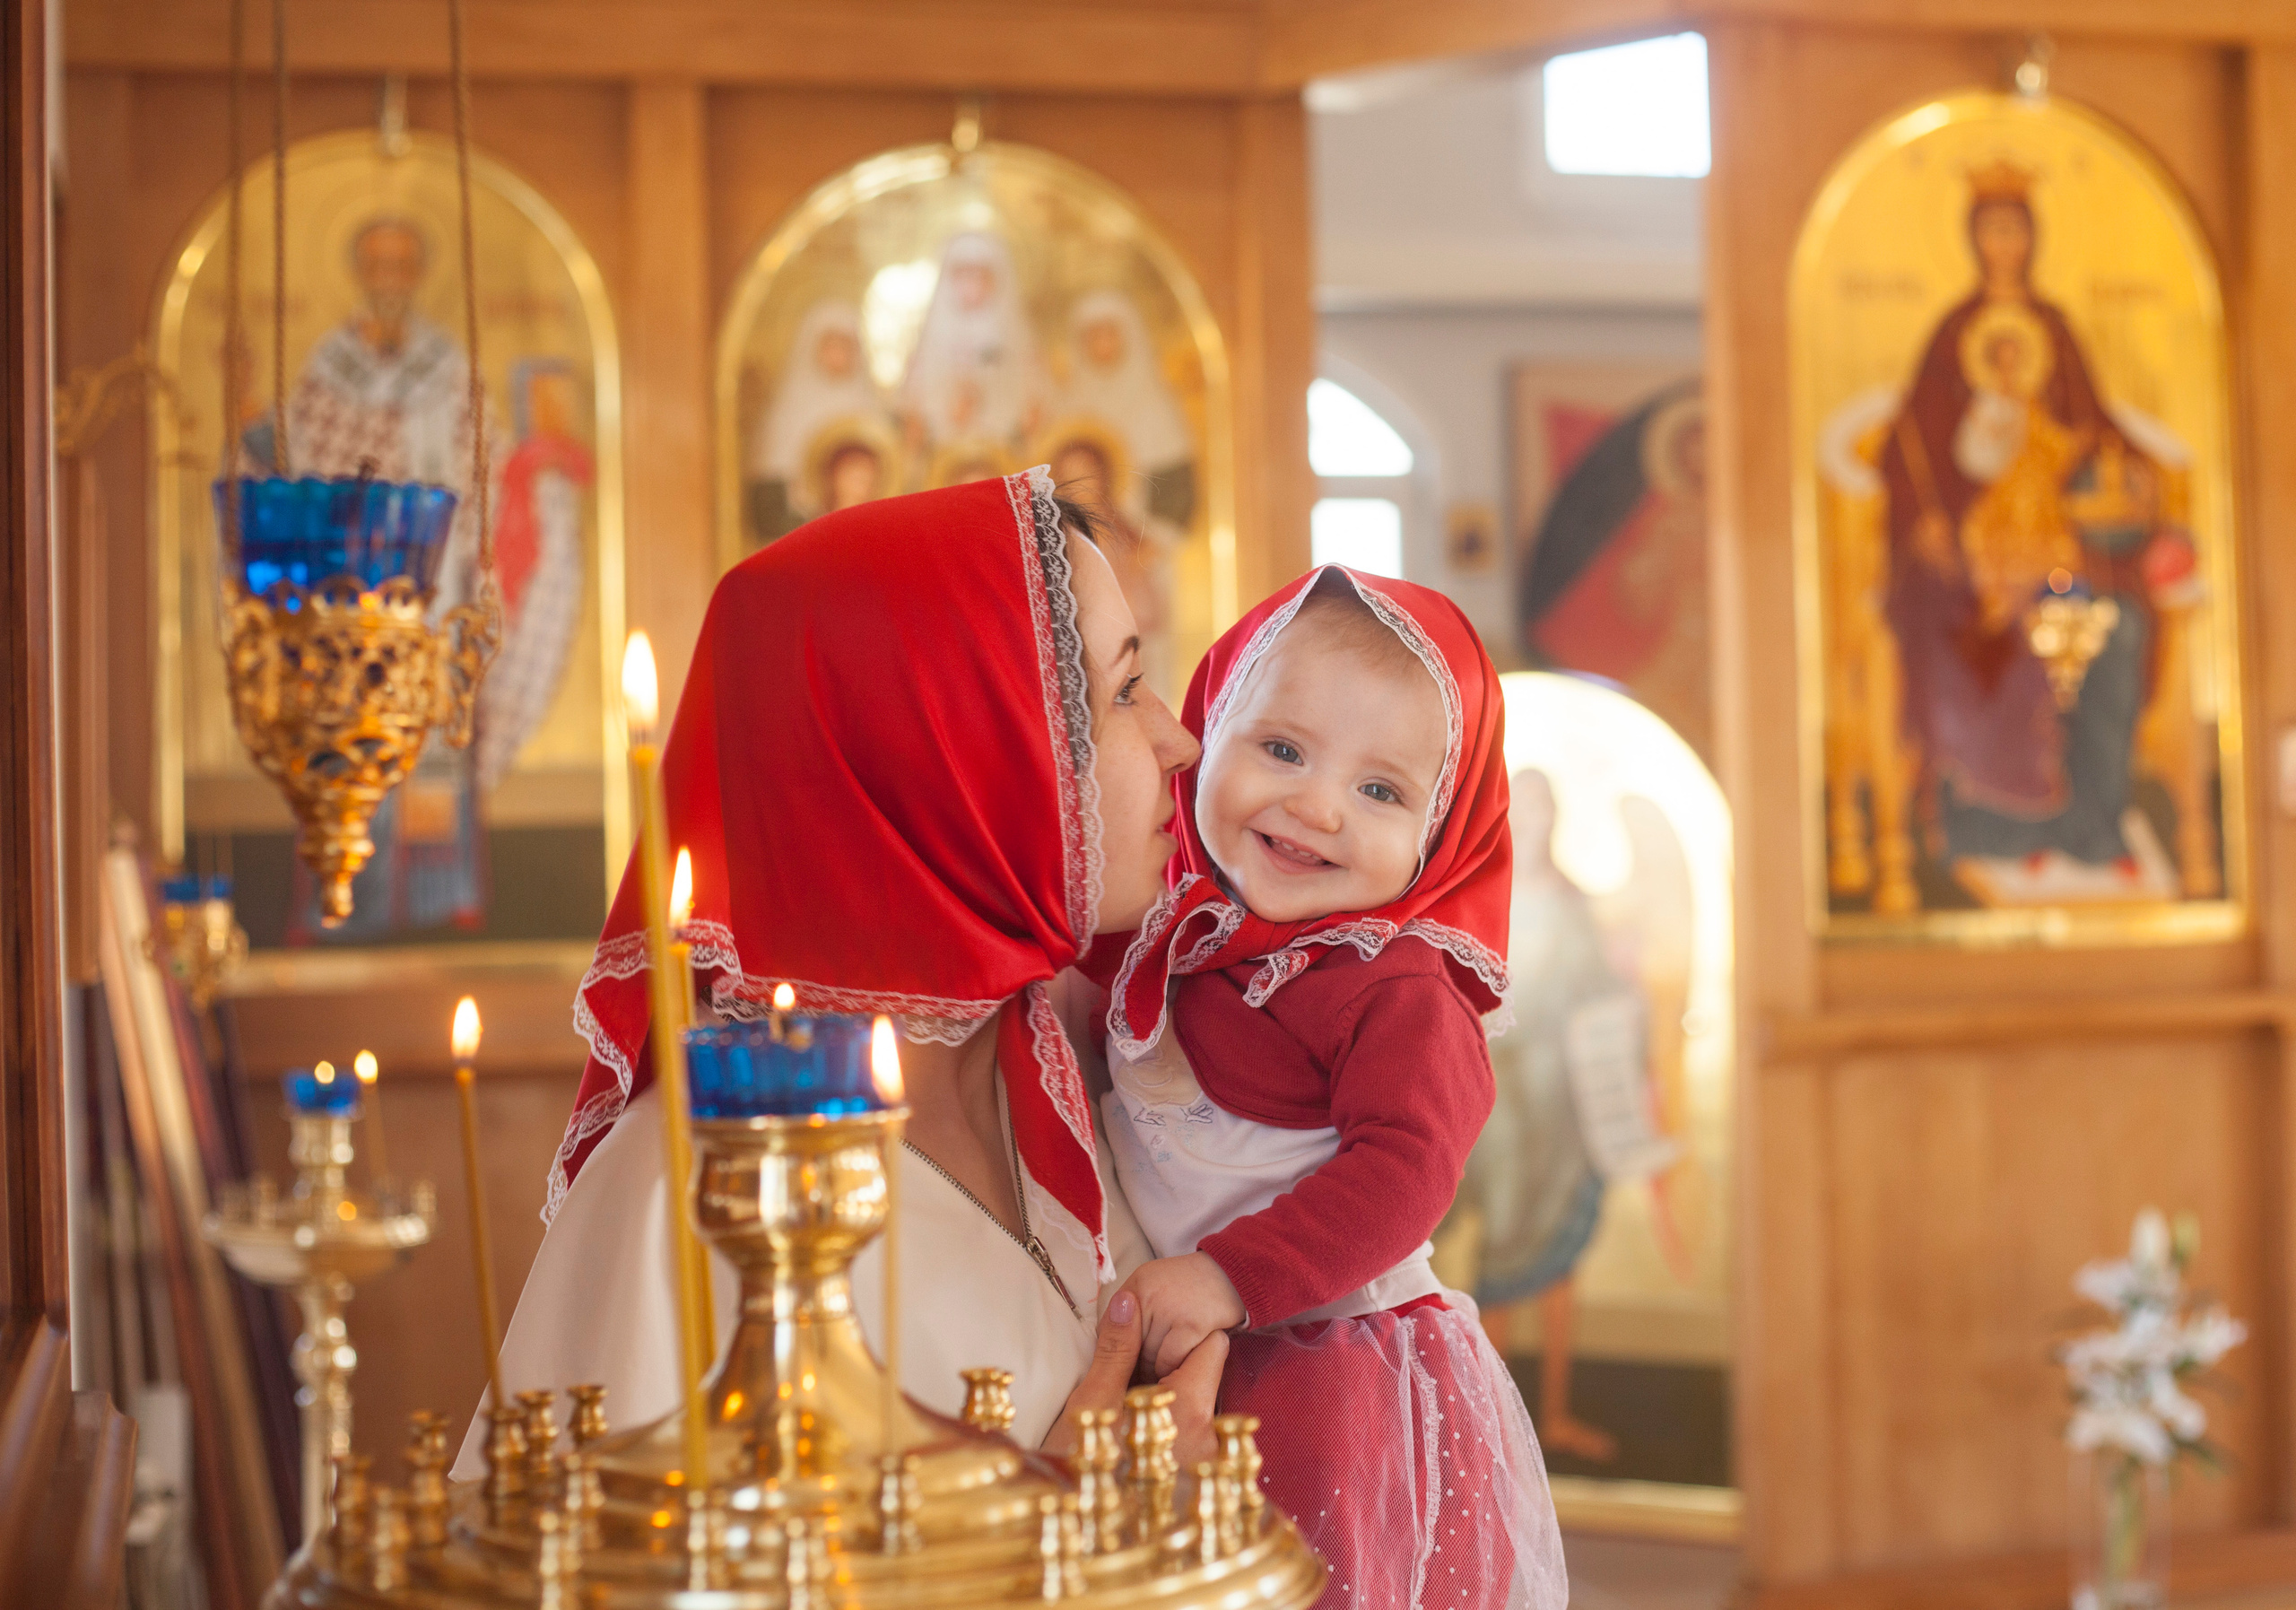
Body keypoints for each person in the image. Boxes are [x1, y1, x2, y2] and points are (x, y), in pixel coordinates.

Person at [456, 470, 1222, 1475]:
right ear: (953, 764)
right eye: (1122, 691)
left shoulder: (1077, 1071)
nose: (1181, 738)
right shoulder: (695, 1196)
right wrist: (1052, 1524)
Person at [1091, 568, 1567, 1607]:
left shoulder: (1397, 988)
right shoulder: (1167, 930)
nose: (1314, 806)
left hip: (1329, 1362)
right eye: (1282, 748)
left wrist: (1228, 1277)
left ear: (1439, 834)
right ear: (1206, 723)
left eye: (1380, 790)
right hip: (1192, 1345)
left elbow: (1408, 1170)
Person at [901, 231, 1043, 464]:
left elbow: (1031, 410)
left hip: (1001, 454)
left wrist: (988, 406)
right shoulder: (930, 341)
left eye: (981, 275)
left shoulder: (1018, 340)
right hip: (942, 455)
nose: (972, 284)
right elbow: (913, 417)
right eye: (964, 275)